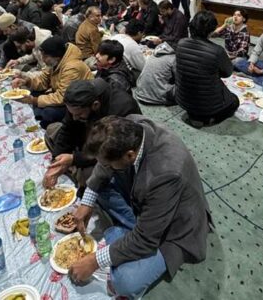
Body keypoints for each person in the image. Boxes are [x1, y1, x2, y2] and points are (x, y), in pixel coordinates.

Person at [69, 115, 211, 299]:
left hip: (176, 228)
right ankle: (127, 235)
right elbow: (104, 165)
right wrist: (86, 203)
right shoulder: (131, 127)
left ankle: (124, 235)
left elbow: (146, 240)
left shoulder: (166, 172)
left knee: (125, 282)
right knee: (97, 189)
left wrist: (94, 260)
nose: (105, 166)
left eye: (109, 164)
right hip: (150, 205)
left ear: (130, 155)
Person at [43, 79, 141, 189]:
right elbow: (67, 129)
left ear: (95, 105)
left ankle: (76, 173)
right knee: (51, 130)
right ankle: (71, 168)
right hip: (88, 140)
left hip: (112, 153)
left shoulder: (122, 108)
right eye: (72, 114)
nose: (74, 118)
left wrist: (75, 158)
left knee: (89, 177)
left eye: (79, 114)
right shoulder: (77, 104)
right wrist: (56, 162)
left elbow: (112, 151)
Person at [11, 36, 93, 128]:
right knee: (33, 92)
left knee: (49, 112)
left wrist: (34, 100)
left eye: (45, 56)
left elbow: (63, 97)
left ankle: (43, 116)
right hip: (58, 93)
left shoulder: (72, 67)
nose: (43, 59)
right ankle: (41, 113)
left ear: (57, 57)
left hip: (76, 102)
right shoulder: (55, 62)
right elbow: (43, 80)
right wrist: (27, 81)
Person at [176, 11, 239, 128]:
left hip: (182, 100)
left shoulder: (181, 43)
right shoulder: (217, 50)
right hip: (207, 105)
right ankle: (210, 118)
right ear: (211, 29)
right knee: (235, 101)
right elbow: (228, 72)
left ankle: (195, 115)